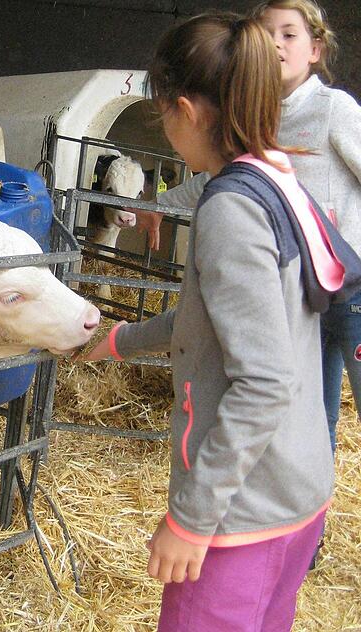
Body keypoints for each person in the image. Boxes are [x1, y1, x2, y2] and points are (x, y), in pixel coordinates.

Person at [80, 12, 335, 631]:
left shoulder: (230, 212)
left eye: (163, 113)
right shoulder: (277, 174)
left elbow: (264, 380)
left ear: (187, 110)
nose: (166, 131)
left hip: (242, 517)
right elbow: (223, 320)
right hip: (298, 488)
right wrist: (119, 340)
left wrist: (190, 520)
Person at [150, 0, 361, 456]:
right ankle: (312, 511)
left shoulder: (334, 109)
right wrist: (157, 203)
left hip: (349, 282)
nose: (275, 45)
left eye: (289, 34)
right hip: (301, 289)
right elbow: (214, 178)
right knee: (312, 411)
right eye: (266, 34)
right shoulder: (255, 116)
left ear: (316, 50)